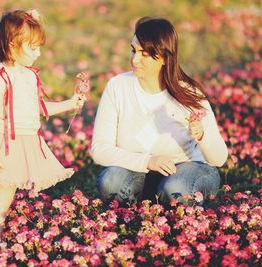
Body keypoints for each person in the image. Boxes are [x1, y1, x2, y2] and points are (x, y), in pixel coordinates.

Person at [91, 16, 228, 205]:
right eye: (133, 50)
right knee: (111, 182)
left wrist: (202, 135)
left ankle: (159, 197)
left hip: (188, 168)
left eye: (144, 54)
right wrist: (149, 161)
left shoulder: (188, 93)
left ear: (164, 57)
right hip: (141, 168)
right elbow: (100, 150)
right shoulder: (118, 87)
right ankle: (154, 199)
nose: (135, 59)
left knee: (175, 189)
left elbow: (219, 158)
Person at [0, 9, 86, 238]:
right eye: (33, 47)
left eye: (39, 47)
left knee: (11, 195)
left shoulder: (29, 76)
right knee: (4, 197)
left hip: (28, 141)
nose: (38, 53)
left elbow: (39, 108)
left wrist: (70, 103)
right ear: (11, 45)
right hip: (6, 144)